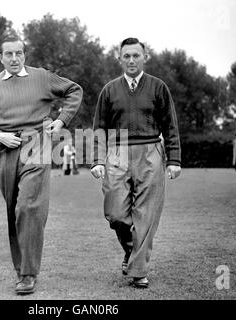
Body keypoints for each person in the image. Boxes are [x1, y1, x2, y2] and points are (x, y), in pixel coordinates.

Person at [0, 36, 83, 295]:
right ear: (0, 57)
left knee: (28, 208)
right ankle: (21, 269)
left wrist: (62, 120)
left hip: (36, 145)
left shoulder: (42, 77)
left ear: (24, 54)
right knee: (13, 211)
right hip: (6, 151)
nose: (14, 58)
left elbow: (74, 90)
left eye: (18, 53)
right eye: (8, 54)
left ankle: (28, 274)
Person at [90, 38, 181, 288]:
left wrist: (174, 159)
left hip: (151, 150)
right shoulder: (109, 90)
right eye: (126, 56)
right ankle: (132, 252)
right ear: (120, 58)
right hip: (117, 151)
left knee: (146, 214)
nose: (131, 60)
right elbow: (99, 128)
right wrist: (98, 160)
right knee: (115, 212)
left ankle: (138, 271)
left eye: (136, 56)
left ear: (145, 57)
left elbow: (171, 126)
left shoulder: (158, 87)